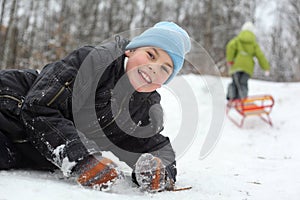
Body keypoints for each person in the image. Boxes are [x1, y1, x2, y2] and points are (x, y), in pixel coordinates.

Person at [0, 21, 191, 192]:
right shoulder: (94, 62)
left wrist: (158, 170)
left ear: (164, 82)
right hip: (10, 106)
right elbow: (39, 107)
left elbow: (153, 144)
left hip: (23, 150)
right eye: (150, 55)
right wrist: (82, 158)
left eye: (165, 68)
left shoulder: (144, 106)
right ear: (130, 50)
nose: (154, 67)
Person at [226, 21, 270, 100]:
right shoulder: (253, 43)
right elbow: (260, 56)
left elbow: (230, 47)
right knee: (243, 83)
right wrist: (266, 67)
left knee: (235, 83)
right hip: (247, 68)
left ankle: (232, 98)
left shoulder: (238, 40)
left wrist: (230, 59)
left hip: (236, 65)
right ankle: (242, 99)